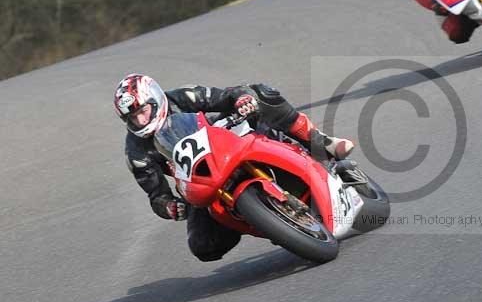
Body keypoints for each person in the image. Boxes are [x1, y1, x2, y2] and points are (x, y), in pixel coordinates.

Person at [113, 74, 354, 262]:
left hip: (232, 139)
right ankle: (267, 222)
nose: (141, 121)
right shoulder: (136, 152)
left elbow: (228, 95)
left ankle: (320, 143)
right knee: (203, 246)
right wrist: (170, 207)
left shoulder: (183, 97)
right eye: (133, 118)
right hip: (202, 180)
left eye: (142, 112)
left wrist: (243, 100)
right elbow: (157, 196)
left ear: (155, 100)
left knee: (262, 93)